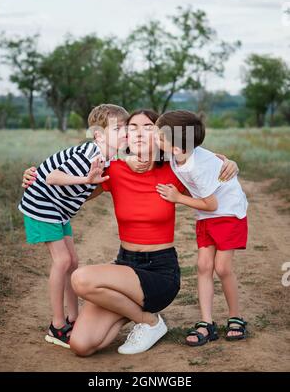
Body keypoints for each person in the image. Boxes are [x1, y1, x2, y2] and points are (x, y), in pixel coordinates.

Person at [22, 109, 238, 356]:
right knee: (81, 345)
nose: (138, 132)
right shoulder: (112, 169)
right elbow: (73, 185)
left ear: (159, 135)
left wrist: (230, 163)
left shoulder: (174, 169)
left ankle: (149, 322)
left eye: (147, 127)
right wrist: (34, 177)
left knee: (81, 278)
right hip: (125, 266)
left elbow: (206, 164)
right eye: (132, 127)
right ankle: (144, 317)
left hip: (160, 272)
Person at [18, 104, 128, 348]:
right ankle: (57, 326)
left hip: (59, 209)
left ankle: (73, 317)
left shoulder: (110, 156)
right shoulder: (91, 154)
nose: (125, 133)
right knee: (63, 262)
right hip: (42, 204)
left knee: (73, 262)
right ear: (99, 134)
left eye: (126, 128)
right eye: (119, 128)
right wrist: (86, 179)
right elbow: (51, 177)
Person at [155, 110, 248, 346]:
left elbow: (212, 203)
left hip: (228, 213)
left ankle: (235, 317)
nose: (156, 139)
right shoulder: (177, 153)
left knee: (222, 267)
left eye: (159, 136)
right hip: (207, 216)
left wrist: (177, 198)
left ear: (176, 148)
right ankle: (207, 322)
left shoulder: (198, 165)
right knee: (203, 265)